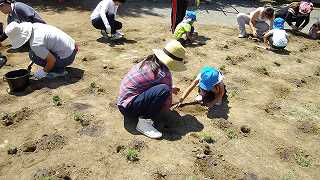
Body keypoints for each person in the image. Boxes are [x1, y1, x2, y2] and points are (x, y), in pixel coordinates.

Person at [117, 40, 187, 139]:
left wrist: (170, 88)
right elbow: (167, 104)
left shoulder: (149, 61)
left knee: (165, 89)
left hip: (123, 102)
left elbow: (149, 82)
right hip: (129, 109)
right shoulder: (164, 74)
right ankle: (144, 122)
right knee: (164, 90)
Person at [5, 22, 78, 79]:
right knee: (34, 52)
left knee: (33, 55)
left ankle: (59, 71)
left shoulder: (35, 44)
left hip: (68, 57)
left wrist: (44, 72)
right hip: (73, 47)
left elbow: (52, 60)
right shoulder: (35, 26)